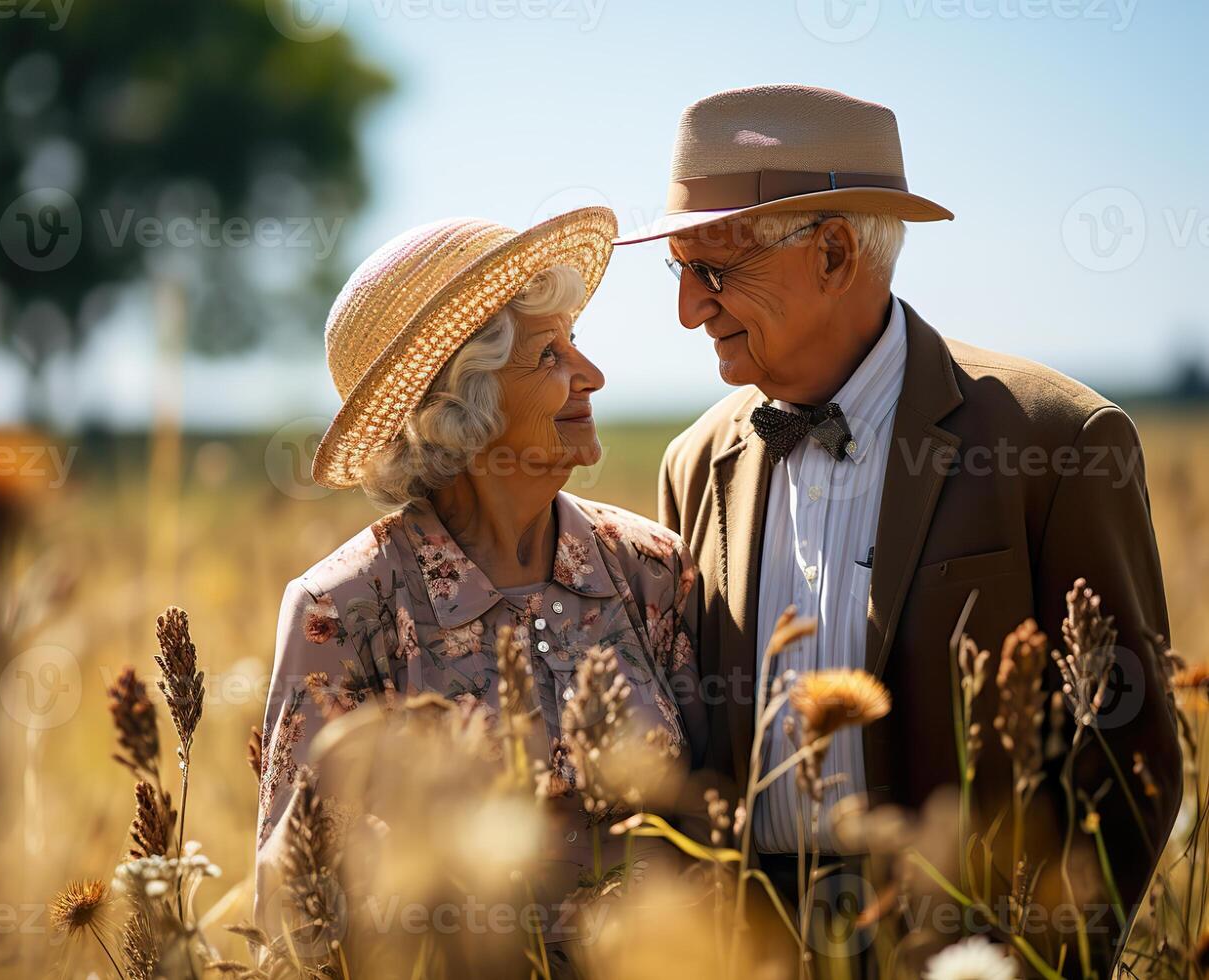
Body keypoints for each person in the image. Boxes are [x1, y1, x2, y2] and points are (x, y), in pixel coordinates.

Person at [617, 84, 1181, 975]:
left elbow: (1125, 749)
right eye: (676, 271)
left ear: (835, 252)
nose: (688, 310)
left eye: (714, 272)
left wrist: (1034, 965)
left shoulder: (1057, 438)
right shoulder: (694, 463)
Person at [254, 208, 705, 959]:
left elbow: (711, 820)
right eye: (547, 356)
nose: (590, 376)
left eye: (577, 344)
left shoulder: (647, 565)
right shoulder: (346, 607)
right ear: (458, 408)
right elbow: (295, 903)